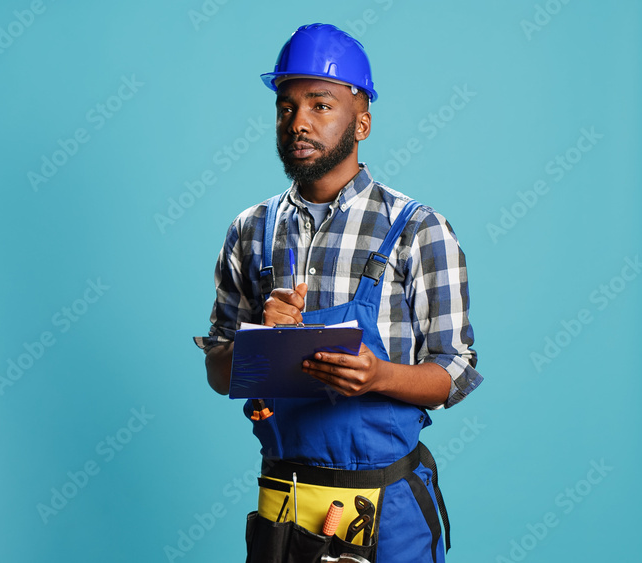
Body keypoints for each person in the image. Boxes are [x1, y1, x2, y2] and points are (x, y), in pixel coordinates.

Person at [194, 24, 483, 563]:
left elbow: (455, 371)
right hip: (285, 506)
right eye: (285, 107)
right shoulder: (251, 230)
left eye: (320, 105)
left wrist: (379, 377)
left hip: (386, 509)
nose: (298, 122)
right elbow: (218, 371)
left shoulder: (417, 229)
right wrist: (259, 341)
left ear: (362, 123)